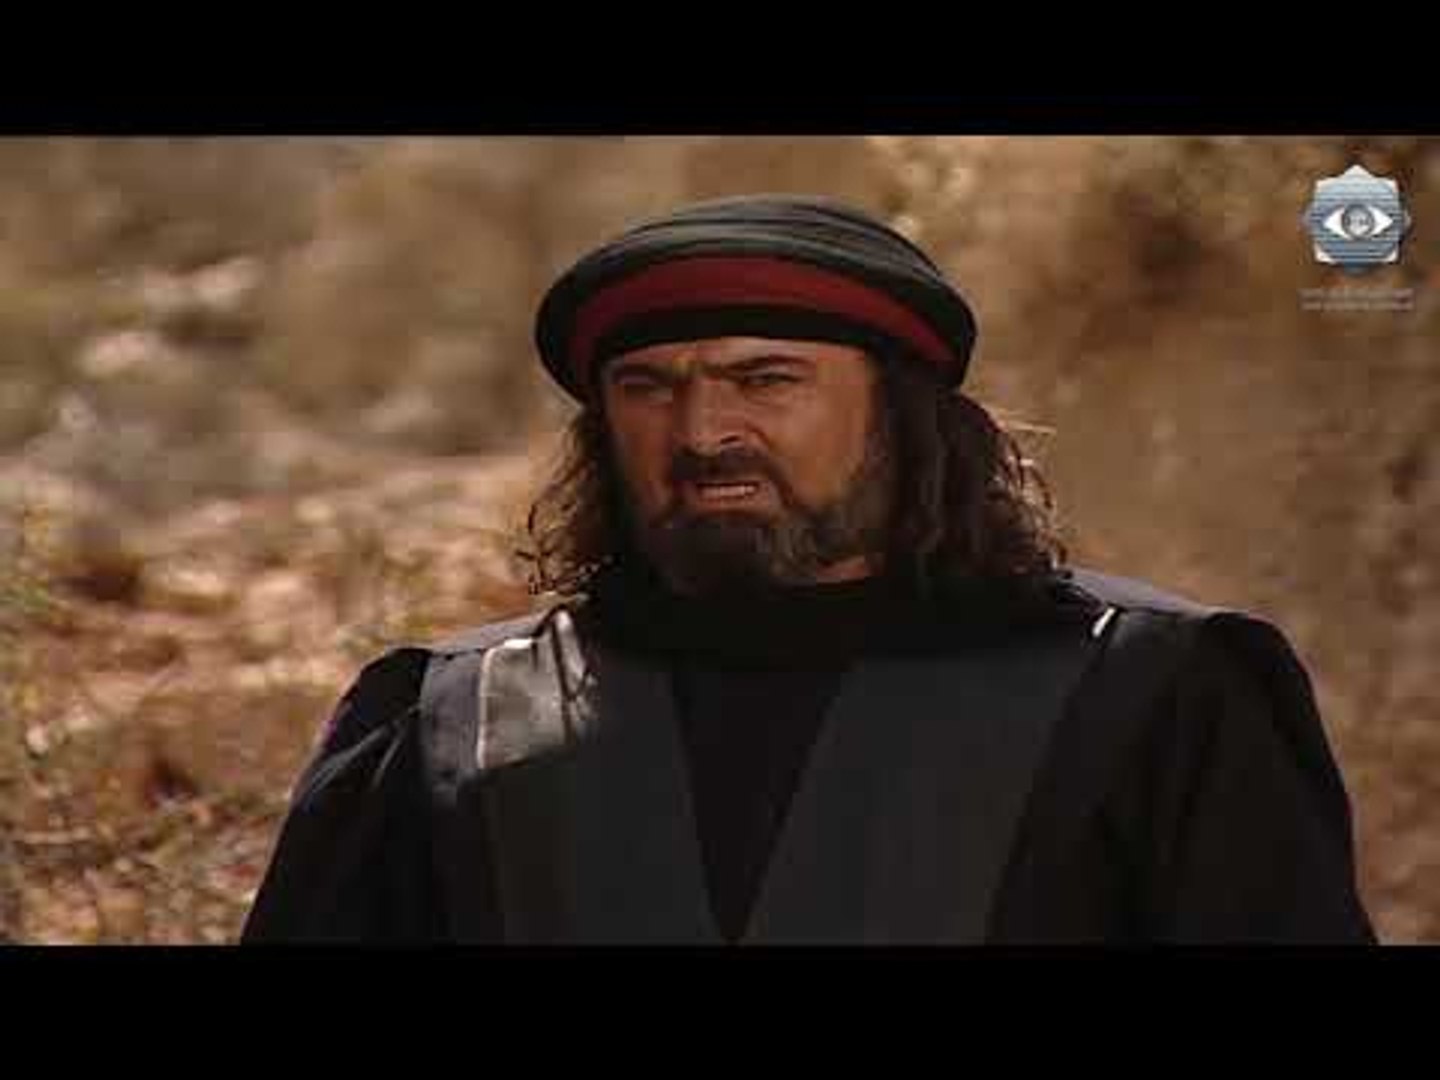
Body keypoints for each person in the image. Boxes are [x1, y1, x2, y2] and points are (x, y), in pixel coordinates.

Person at [241, 194, 1376, 944]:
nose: (703, 431)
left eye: (766, 380)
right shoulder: (454, 719)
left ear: (903, 417)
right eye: (649, 388)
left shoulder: (1149, 695)